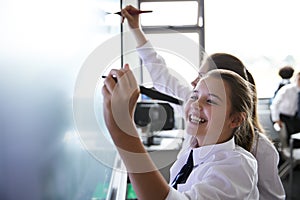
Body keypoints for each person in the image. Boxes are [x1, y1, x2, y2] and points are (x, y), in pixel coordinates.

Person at [121, 5, 285, 199]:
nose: (193, 83)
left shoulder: (255, 152)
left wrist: (122, 128)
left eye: (202, 77)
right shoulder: (195, 111)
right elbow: (161, 74)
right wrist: (136, 29)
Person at [102, 66, 259, 199]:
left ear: (235, 120)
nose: (196, 104)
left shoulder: (238, 166)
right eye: (194, 96)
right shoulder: (190, 152)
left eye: (210, 101)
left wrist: (121, 129)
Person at [270, 72, 300, 147]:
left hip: (296, 117)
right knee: (291, 138)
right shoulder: (287, 89)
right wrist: (276, 119)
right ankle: (291, 154)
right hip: (284, 116)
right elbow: (274, 104)